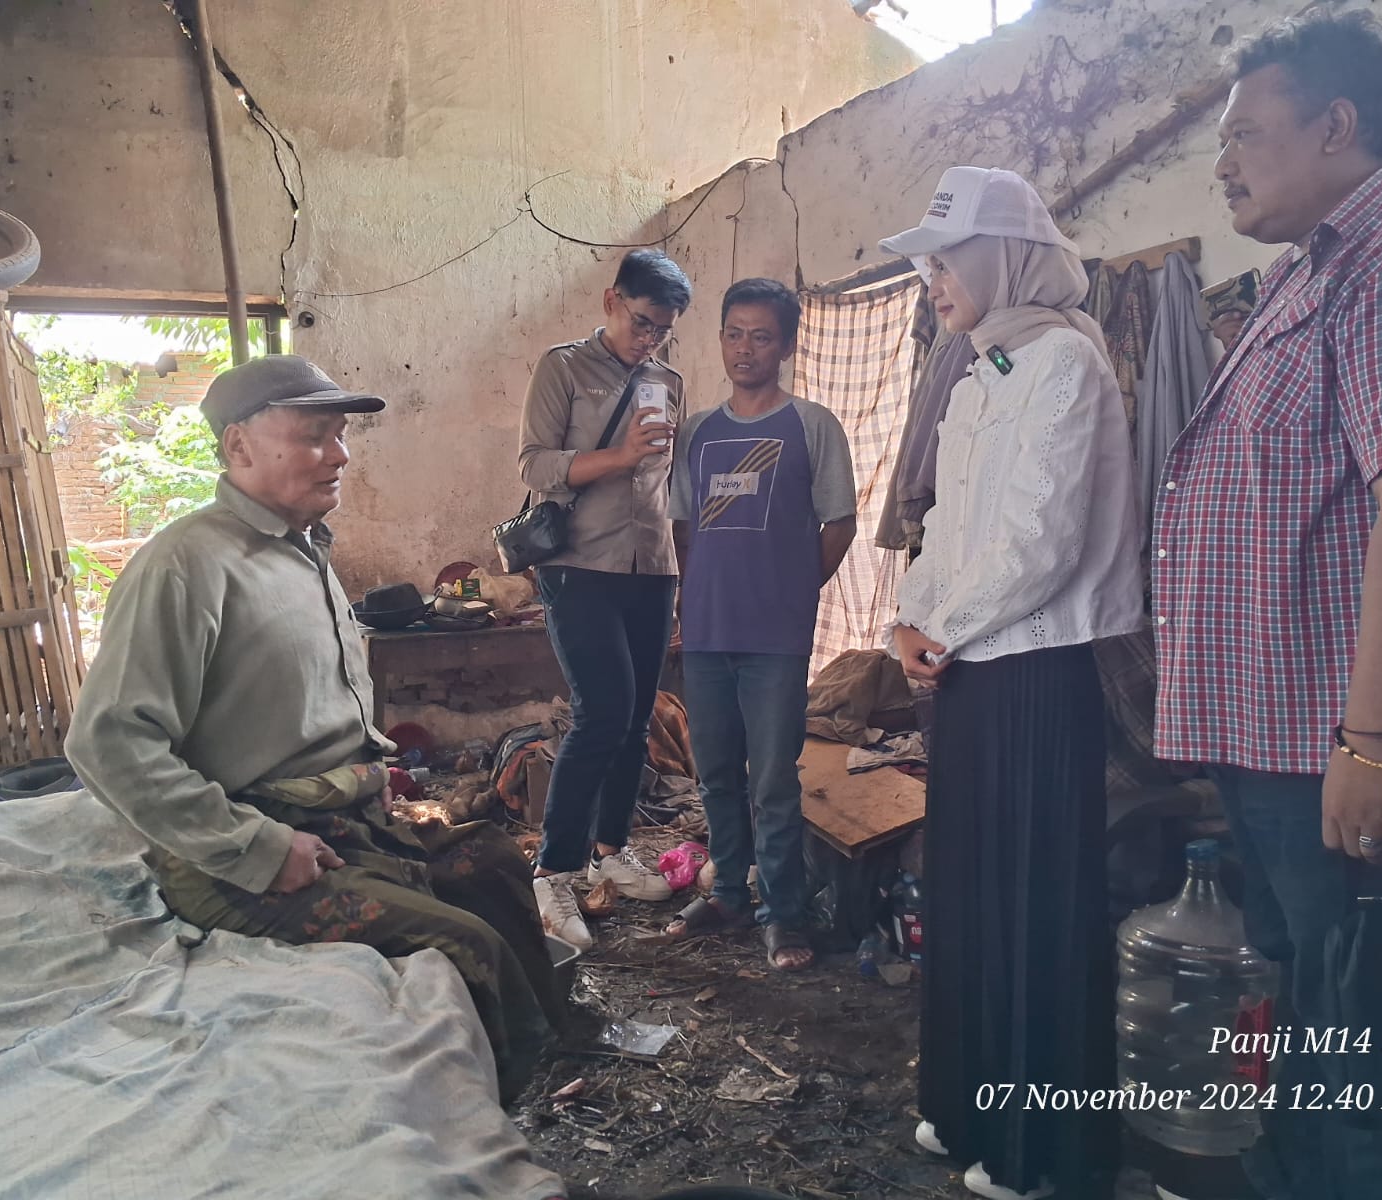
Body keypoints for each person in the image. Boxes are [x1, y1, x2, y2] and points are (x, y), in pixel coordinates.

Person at [1153, 12, 1382, 1199]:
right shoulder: (1314, 271)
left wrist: (1374, 741)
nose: (1223, 161)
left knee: (1371, 1058)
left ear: (1336, 127)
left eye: (1246, 133)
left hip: (1341, 753)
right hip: (1281, 744)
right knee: (1314, 1036)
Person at [66, 355, 560, 1104]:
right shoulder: (185, 566)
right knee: (466, 946)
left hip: (344, 822)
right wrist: (258, 849)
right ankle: (490, 1121)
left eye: (341, 435)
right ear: (239, 448)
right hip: (247, 853)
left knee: (490, 861)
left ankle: (556, 1051)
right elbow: (107, 743)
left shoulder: (304, 549)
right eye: (314, 436)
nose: (341, 454)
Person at [880, 167, 1143, 1200]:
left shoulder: (1064, 363)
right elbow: (948, 524)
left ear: (1004, 256)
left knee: (1035, 909)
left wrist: (933, 626)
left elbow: (1040, 544)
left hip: (1036, 677)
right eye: (927, 264)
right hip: (976, 673)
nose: (933, 279)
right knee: (973, 900)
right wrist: (908, 614)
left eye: (947, 259)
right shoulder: (981, 369)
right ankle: (966, 1106)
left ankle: (1044, 1155)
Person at [658, 278, 858, 971]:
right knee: (714, 775)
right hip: (709, 630)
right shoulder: (699, 433)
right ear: (719, 339)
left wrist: (800, 590)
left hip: (776, 635)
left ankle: (784, 914)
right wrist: (694, 595)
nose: (746, 349)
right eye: (734, 333)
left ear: (786, 345)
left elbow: (841, 521)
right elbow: (683, 525)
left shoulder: (810, 425)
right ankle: (730, 898)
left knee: (772, 778)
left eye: (762, 336)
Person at [518, 249, 692, 949]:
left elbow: (670, 484)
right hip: (577, 564)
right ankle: (553, 870)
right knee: (602, 712)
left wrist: (686, 568)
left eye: (663, 331)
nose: (649, 340)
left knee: (636, 715)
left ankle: (610, 851)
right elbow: (534, 463)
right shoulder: (562, 368)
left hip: (652, 567)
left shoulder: (669, 381)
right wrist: (618, 457)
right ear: (610, 301)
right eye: (643, 322)